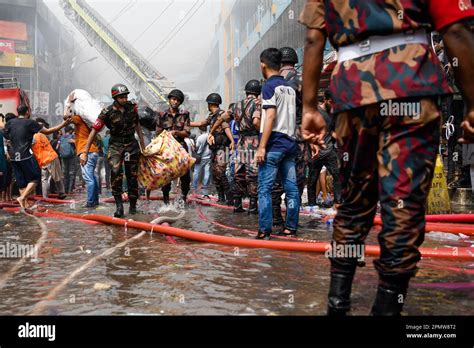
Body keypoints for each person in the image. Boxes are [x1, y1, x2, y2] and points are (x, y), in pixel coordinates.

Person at [300, 0, 474, 315]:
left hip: (353, 92)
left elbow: (314, 39)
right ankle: (386, 307)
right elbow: (456, 30)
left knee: (354, 204)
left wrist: (309, 108)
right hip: (410, 84)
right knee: (402, 204)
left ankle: (337, 305)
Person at [81, 84, 145, 217]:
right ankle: (119, 206)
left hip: (131, 145)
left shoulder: (132, 108)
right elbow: (94, 131)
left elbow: (138, 125)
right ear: (115, 98)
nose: (125, 99)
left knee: (132, 176)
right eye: (121, 97)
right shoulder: (107, 112)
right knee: (115, 172)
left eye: (126, 96)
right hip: (115, 146)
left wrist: (143, 146)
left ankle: (133, 206)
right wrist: (85, 153)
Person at [255, 48, 300, 240]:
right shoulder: (289, 87)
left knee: (264, 189)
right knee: (292, 189)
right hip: (290, 144)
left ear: (263, 65)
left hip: (273, 145)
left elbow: (270, 116)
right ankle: (290, 228)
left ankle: (265, 230)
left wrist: (262, 146)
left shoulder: (268, 86)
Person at [4, 105, 71, 208]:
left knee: (21, 183)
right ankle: (22, 198)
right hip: (25, 155)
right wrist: (63, 124)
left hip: (13, 157)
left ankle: (24, 205)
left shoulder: (10, 123)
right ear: (27, 112)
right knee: (35, 179)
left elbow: (6, 135)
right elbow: (48, 131)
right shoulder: (30, 123)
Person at [191, 93, 235, 205]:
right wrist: (187, 123)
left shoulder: (221, 115)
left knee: (221, 173)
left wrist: (232, 141)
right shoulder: (212, 116)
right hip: (215, 149)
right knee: (216, 174)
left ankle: (229, 199)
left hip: (222, 149)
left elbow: (226, 128)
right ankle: (221, 198)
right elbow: (201, 123)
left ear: (210, 104)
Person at [155, 89, 192, 205]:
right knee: (166, 175)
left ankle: (184, 198)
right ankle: (166, 200)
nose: (175, 102)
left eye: (178, 100)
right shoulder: (162, 115)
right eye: (173, 99)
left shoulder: (185, 114)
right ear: (169, 100)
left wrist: (175, 132)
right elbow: (157, 132)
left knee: (185, 175)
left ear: (180, 102)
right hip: (166, 149)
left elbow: (187, 132)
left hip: (180, 147)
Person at [64, 94, 101, 208]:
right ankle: (95, 201)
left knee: (88, 179)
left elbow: (66, 117)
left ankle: (90, 203)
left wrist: (68, 103)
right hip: (93, 151)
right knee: (93, 177)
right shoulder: (91, 122)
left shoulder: (79, 119)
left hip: (86, 151)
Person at [307, 91, 342, 208]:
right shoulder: (316, 112)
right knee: (312, 179)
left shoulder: (332, 113)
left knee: (337, 175)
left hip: (329, 150)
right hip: (316, 152)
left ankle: (338, 202)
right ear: (325, 99)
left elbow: (331, 131)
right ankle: (312, 203)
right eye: (331, 102)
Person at [33, 118, 66, 200]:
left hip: (42, 160)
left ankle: (45, 197)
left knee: (44, 179)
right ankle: (61, 193)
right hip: (51, 157)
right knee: (57, 176)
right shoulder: (42, 135)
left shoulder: (32, 137)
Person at [191, 125, 212, 198]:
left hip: (200, 157)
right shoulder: (210, 135)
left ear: (200, 130)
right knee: (207, 172)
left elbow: (197, 147)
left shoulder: (200, 137)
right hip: (208, 156)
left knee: (196, 172)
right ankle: (205, 189)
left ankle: (194, 188)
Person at [59, 125, 76, 194]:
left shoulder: (61, 137)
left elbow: (58, 146)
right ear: (70, 131)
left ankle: (64, 190)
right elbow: (76, 143)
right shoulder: (72, 137)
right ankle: (70, 190)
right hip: (71, 157)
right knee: (71, 173)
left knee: (65, 173)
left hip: (63, 157)